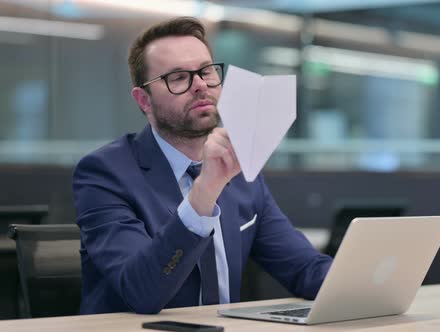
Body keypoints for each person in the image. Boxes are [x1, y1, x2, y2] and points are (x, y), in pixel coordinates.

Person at [73, 16, 332, 315]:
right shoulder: (104, 173)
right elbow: (141, 292)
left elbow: (305, 268)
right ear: (144, 100)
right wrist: (206, 190)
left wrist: (363, 288)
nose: (200, 85)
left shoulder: (242, 171)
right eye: (179, 77)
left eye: (206, 71)